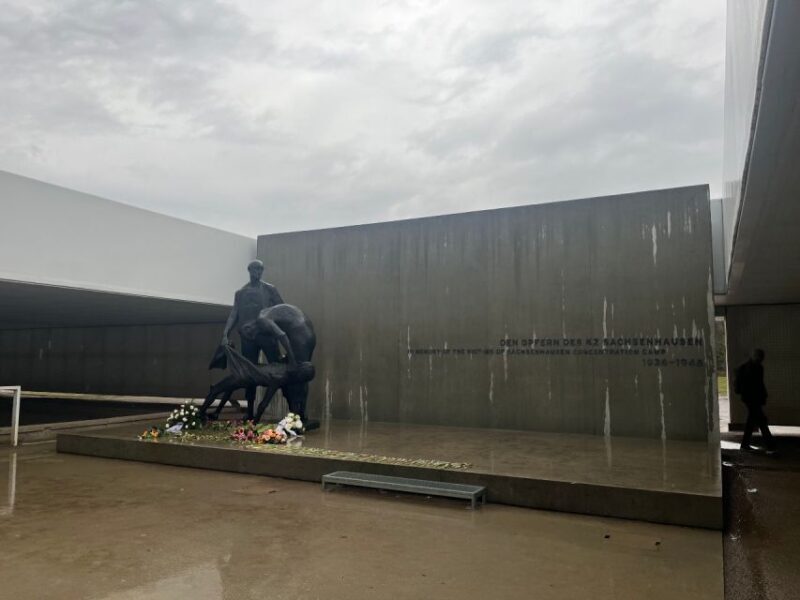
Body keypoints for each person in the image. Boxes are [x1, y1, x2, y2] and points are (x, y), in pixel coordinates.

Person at [220, 260, 284, 413]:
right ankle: (250, 410)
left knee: (280, 368)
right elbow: (233, 314)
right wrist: (225, 334)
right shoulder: (240, 293)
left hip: (267, 335)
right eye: (255, 269)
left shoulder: (270, 289)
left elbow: (281, 309)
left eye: (261, 269)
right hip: (248, 337)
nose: (258, 272)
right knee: (249, 373)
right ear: (249, 270)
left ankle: (292, 406)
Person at [240, 303, 316, 423]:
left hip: (301, 336)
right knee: (301, 372)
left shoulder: (262, 321)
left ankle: (298, 415)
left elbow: (282, 335)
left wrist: (291, 360)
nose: (254, 337)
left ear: (249, 328)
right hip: (306, 334)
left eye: (251, 335)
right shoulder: (264, 312)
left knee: (297, 374)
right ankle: (300, 414)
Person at [734, 348, 775, 452]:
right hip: (752, 398)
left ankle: (746, 444)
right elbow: (759, 385)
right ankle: (770, 445)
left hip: (749, 398)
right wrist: (763, 396)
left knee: (752, 421)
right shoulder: (758, 368)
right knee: (760, 421)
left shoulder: (746, 368)